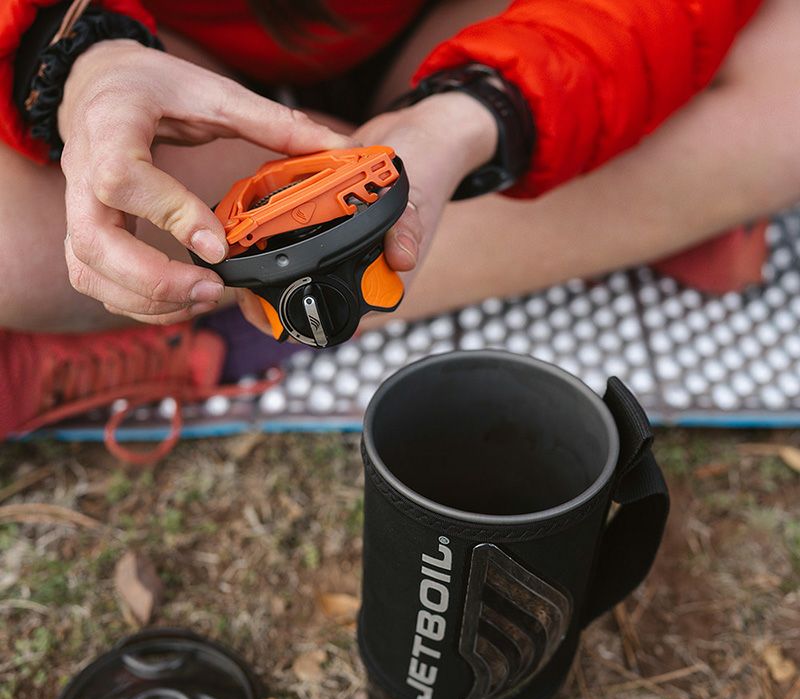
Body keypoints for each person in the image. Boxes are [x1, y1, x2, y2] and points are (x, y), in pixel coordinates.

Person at [1, 0, 798, 447]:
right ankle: (630, 197)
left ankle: (257, 297)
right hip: (155, 54)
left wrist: (471, 113)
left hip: (473, 33)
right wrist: (74, 60)